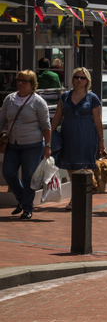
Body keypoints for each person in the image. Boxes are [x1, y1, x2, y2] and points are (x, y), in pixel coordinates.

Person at [49, 67, 104, 211]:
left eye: (82, 78)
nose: (79, 80)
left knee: (82, 169)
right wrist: (49, 136)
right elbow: (57, 117)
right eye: (76, 77)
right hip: (68, 136)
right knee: (71, 169)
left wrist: (101, 140)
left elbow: (98, 121)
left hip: (86, 136)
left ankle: (77, 200)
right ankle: (78, 197)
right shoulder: (65, 96)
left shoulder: (92, 98)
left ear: (87, 81)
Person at [0, 69, 52, 219]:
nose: (20, 83)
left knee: (29, 177)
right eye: (18, 80)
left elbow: (46, 126)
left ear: (32, 84)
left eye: (24, 81)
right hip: (12, 144)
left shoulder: (38, 102)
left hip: (33, 145)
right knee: (8, 173)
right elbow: (2, 121)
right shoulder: (9, 99)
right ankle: (23, 199)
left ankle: (27, 208)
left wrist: (47, 146)